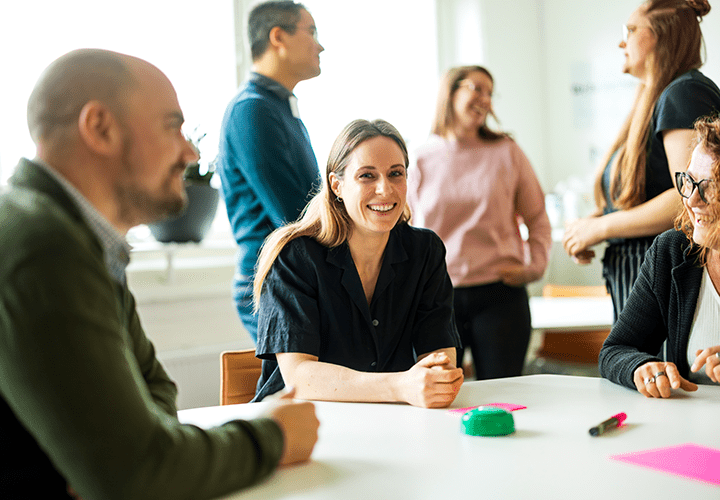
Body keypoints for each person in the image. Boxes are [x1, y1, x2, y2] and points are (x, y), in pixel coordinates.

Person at [0, 48, 319, 500]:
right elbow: (135, 473)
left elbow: (154, 388)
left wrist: (124, 455)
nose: (190, 152)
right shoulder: (41, 246)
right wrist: (272, 438)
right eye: (172, 126)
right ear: (100, 127)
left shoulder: (79, 237)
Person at [251, 119, 464, 407]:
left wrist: (435, 378)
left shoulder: (425, 250)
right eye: (367, 176)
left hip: (389, 419)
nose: (385, 190)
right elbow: (299, 376)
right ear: (336, 185)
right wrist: (401, 386)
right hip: (295, 424)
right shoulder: (295, 256)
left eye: (395, 174)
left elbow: (438, 354)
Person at [563, 0, 720, 320]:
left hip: (659, 270)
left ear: (663, 35)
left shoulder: (684, 93)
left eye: (631, 30)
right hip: (638, 269)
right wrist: (593, 223)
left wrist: (601, 228)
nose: (622, 41)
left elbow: (689, 198)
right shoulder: (660, 96)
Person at [408, 66, 552, 380]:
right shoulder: (418, 159)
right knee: (439, 396)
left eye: (490, 92)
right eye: (477, 88)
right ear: (451, 92)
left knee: (504, 396)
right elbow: (402, 233)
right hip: (437, 297)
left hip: (501, 295)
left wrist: (536, 266)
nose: (485, 99)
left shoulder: (507, 152)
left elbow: (537, 218)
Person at [217, 0, 324, 344]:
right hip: (276, 282)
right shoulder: (253, 110)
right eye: (311, 32)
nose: (320, 45)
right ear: (278, 36)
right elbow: (294, 214)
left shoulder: (279, 108)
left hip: (293, 278)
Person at [599, 115, 720, 398]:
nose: (692, 200)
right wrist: (640, 367)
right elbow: (615, 350)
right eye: (689, 181)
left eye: (711, 187)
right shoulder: (673, 253)